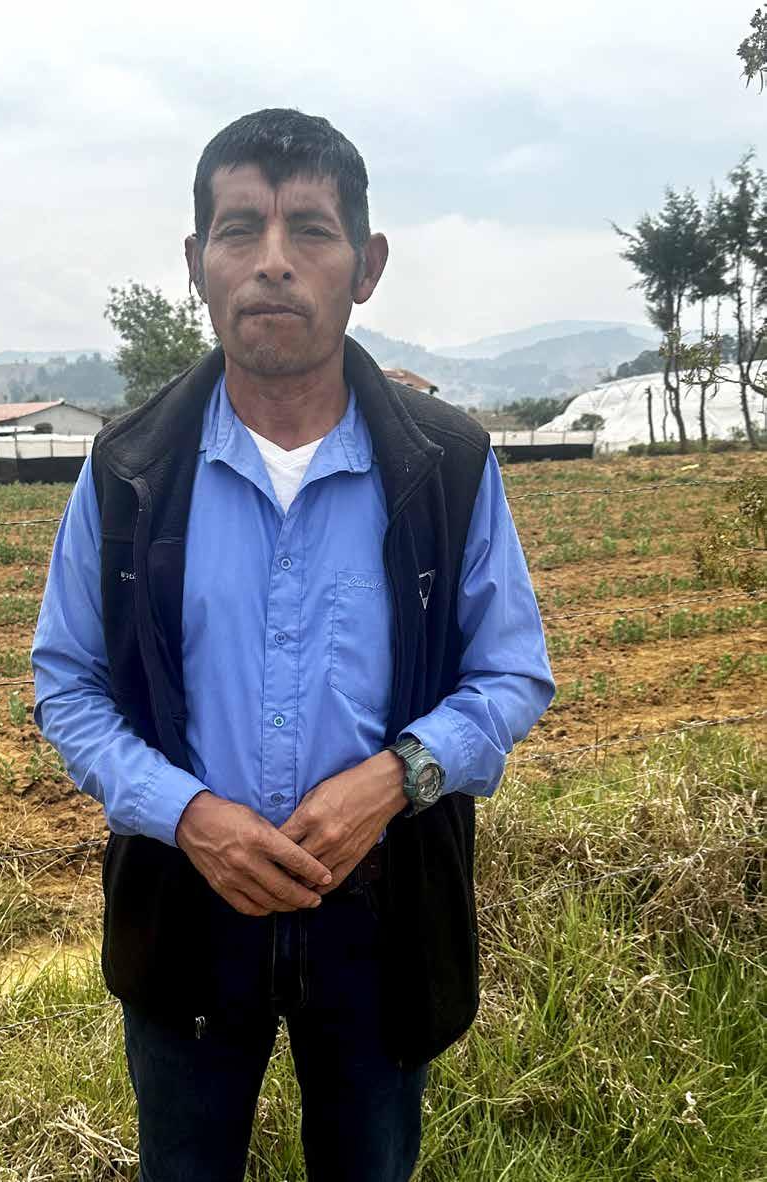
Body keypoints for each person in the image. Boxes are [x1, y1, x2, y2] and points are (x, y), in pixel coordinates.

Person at [31, 107, 555, 1182]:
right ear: (196, 263)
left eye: (309, 229)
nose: (272, 261)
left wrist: (392, 781)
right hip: (185, 905)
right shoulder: (127, 470)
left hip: (383, 915)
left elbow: (510, 673)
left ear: (366, 266)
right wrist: (188, 814)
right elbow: (68, 684)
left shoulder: (447, 465)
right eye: (239, 229)